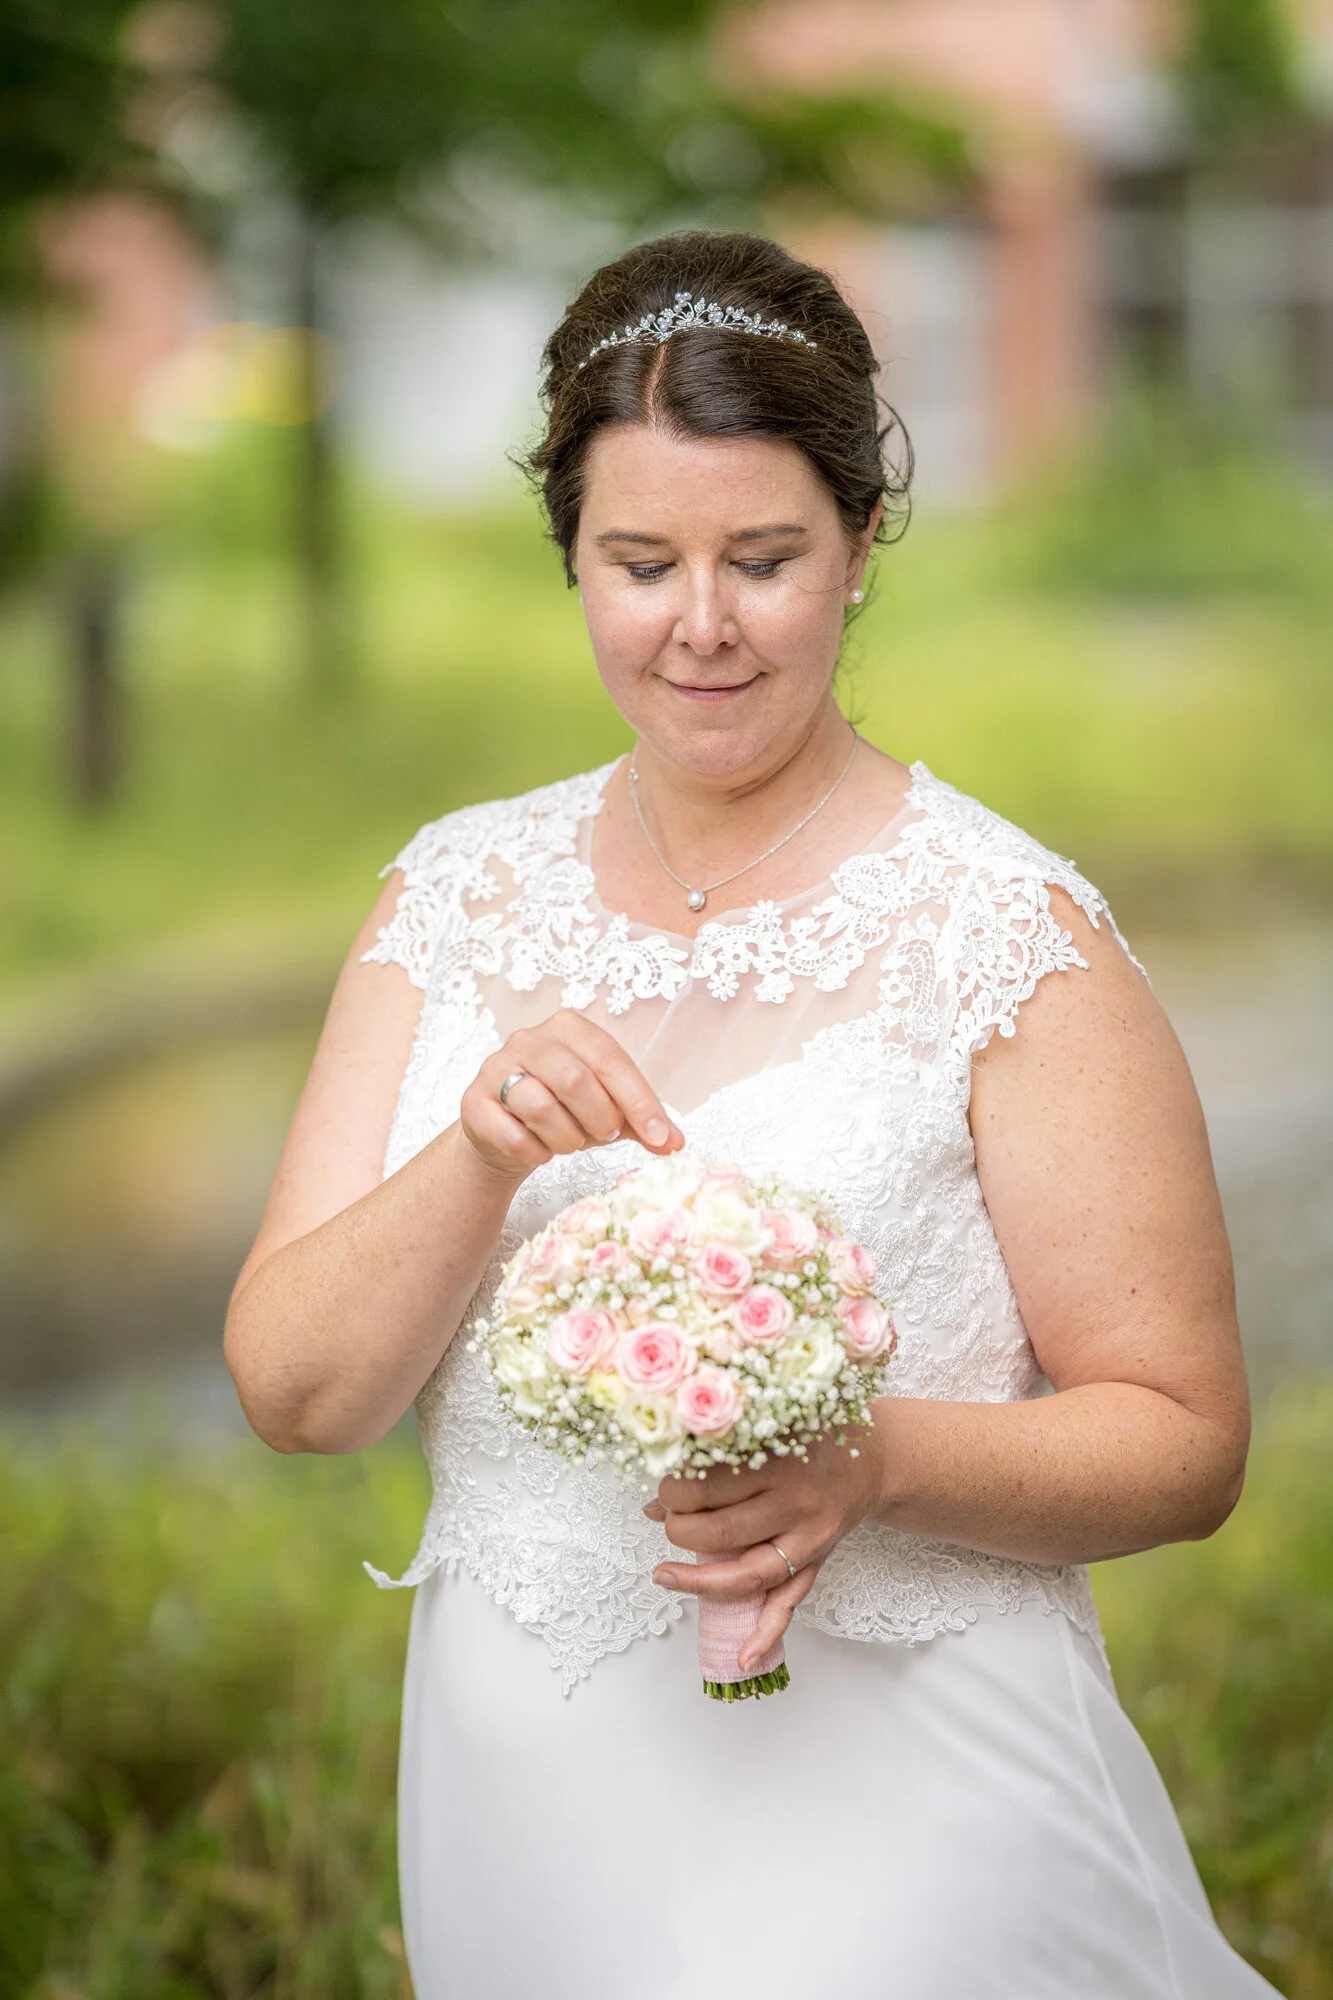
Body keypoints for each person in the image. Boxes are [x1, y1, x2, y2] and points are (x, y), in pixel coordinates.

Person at [225, 231, 1278, 1997]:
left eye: (764, 560)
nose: (700, 623)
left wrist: (877, 1464)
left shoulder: (1004, 933)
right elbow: (296, 1395)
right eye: (641, 563)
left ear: (860, 549)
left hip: (905, 1817)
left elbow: (1186, 1439)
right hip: (526, 1803)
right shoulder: (452, 901)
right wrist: (478, 1155)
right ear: (571, 556)